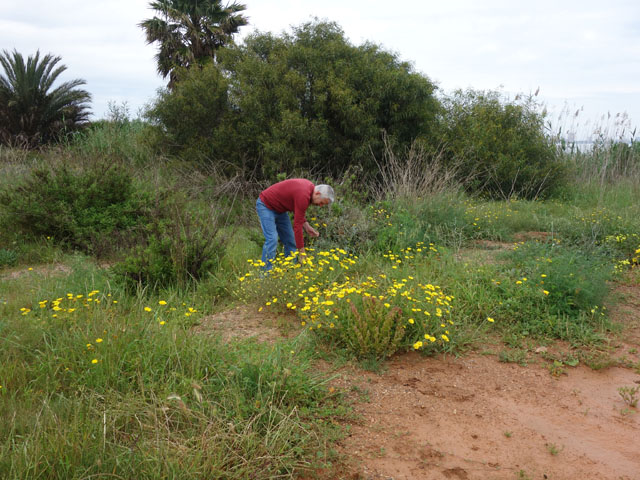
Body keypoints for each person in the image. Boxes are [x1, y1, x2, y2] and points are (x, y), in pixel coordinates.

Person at [256, 179, 334, 270]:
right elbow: (297, 226)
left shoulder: (309, 191)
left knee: (290, 240)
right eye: (321, 202)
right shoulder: (304, 195)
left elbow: (299, 212)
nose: (320, 205)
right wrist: (302, 252)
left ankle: (290, 270)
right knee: (272, 239)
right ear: (317, 193)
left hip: (280, 210)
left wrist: (307, 226)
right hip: (266, 205)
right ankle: (265, 274)